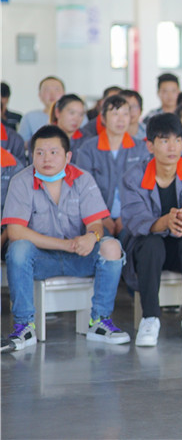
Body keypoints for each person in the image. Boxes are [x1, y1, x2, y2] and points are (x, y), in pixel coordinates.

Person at [2, 125, 130, 351]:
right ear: (32, 155)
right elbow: (16, 231)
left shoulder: (83, 179)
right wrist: (65, 244)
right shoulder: (21, 181)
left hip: (79, 257)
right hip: (41, 261)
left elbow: (96, 224)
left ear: (67, 156)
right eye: (40, 152)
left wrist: (91, 237)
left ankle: (100, 322)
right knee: (18, 249)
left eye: (54, 152)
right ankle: (24, 327)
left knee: (111, 247)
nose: (46, 159)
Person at [120, 113, 182, 347]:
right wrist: (164, 222)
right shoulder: (134, 177)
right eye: (164, 141)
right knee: (151, 243)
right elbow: (134, 220)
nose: (172, 147)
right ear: (150, 145)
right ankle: (150, 318)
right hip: (149, 250)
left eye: (177, 140)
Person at [75, 95, 150, 237]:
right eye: (115, 114)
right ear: (103, 118)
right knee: (103, 243)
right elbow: (83, 188)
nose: (121, 119)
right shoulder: (88, 149)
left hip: (132, 216)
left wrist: (127, 215)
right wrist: (101, 216)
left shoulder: (141, 149)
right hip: (95, 217)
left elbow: (145, 187)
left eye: (125, 114)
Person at [18, 76, 65, 142]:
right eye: (47, 90)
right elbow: (21, 143)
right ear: (40, 95)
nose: (52, 94)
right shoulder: (30, 117)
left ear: (64, 94)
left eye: (57, 89)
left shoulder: (74, 116)